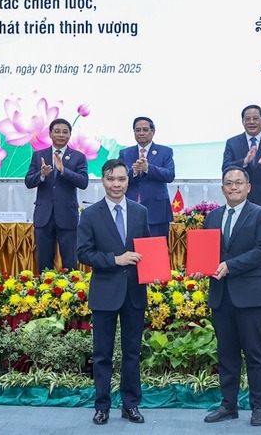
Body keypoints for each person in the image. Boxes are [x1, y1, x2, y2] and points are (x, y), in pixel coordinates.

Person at [77, 159, 151, 426]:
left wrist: (155, 269)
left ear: (128, 181)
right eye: (111, 179)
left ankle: (131, 405)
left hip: (134, 292)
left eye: (121, 179)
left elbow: (148, 248)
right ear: (103, 181)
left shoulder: (140, 211)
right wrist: (115, 260)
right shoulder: (90, 214)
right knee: (102, 354)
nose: (116, 184)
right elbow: (83, 253)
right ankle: (102, 406)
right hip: (105, 292)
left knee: (132, 353)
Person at [200, 166, 261, 427]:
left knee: (255, 353)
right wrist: (200, 267)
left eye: (238, 183)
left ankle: (258, 407)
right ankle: (228, 405)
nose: (233, 187)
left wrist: (231, 266)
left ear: (248, 187)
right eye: (229, 183)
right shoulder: (212, 217)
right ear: (222, 188)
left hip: (250, 296)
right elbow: (206, 253)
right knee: (226, 354)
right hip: (221, 296)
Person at [222, 104, 261, 270]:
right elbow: (225, 167)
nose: (251, 122)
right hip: (239, 201)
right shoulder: (232, 143)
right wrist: (244, 162)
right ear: (242, 121)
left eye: (255, 118)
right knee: (239, 242)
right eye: (247, 119)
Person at [25, 118, 89, 271]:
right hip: (44, 215)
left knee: (70, 261)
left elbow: (83, 182)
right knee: (44, 262)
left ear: (70, 135)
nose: (61, 135)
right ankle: (45, 286)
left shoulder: (78, 157)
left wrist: (63, 170)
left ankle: (72, 287)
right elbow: (28, 182)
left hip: (67, 215)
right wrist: (41, 174)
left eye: (65, 132)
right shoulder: (38, 155)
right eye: (57, 131)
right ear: (50, 134)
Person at [117, 116, 175, 238]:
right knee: (131, 245)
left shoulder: (165, 151)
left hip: (157, 211)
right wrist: (134, 172)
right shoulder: (125, 153)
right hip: (131, 208)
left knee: (156, 247)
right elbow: (118, 176)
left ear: (153, 132)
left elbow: (169, 175)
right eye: (137, 130)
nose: (141, 133)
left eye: (145, 130)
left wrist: (148, 168)